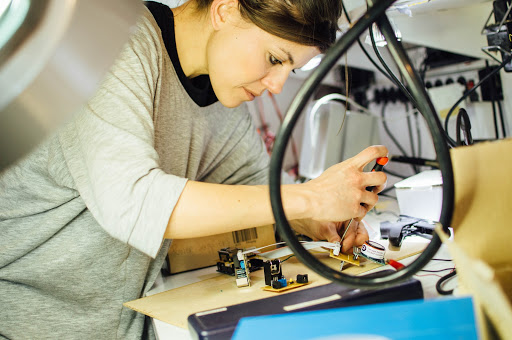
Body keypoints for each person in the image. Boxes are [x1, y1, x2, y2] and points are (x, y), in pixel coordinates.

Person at [0, 0, 387, 338]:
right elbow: (134, 201)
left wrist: (310, 220)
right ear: (224, 9)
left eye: (292, 70)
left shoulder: (221, 104)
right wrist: (308, 198)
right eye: (274, 59)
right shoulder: (116, 45)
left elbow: (255, 193)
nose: (276, 85)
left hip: (122, 323)